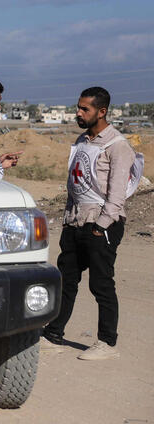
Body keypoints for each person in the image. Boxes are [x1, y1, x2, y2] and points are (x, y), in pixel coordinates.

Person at [43, 87, 138, 361]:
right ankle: (53, 335)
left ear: (102, 111)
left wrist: (101, 226)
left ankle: (107, 343)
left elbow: (117, 194)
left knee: (101, 284)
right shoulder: (83, 140)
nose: (78, 113)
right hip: (74, 223)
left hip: (100, 225)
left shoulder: (118, 146)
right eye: (78, 107)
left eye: (85, 109)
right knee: (66, 280)